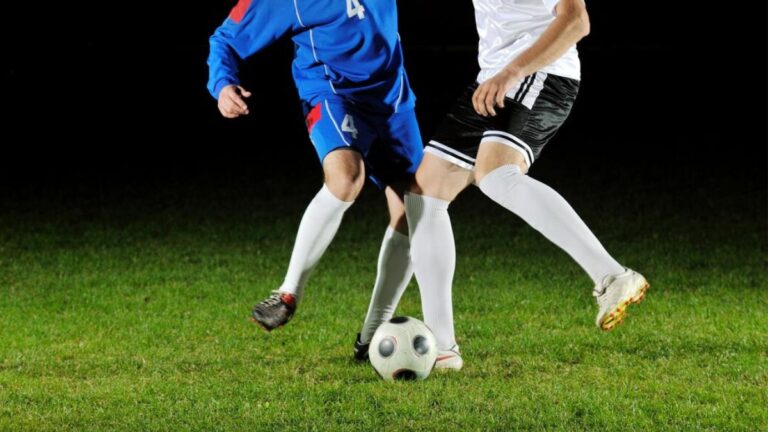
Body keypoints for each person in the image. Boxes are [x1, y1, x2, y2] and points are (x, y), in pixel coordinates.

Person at [356, 0, 649, 369]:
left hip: (538, 73)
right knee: (424, 196)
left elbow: (577, 20)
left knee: (495, 176)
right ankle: (443, 348)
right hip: (494, 79)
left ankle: (612, 275)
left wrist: (510, 73)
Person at [207, 0, 422, 332]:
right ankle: (287, 293)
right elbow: (225, 39)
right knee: (347, 176)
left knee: (414, 208)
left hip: (393, 100)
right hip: (333, 95)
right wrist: (222, 86)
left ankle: (372, 334)